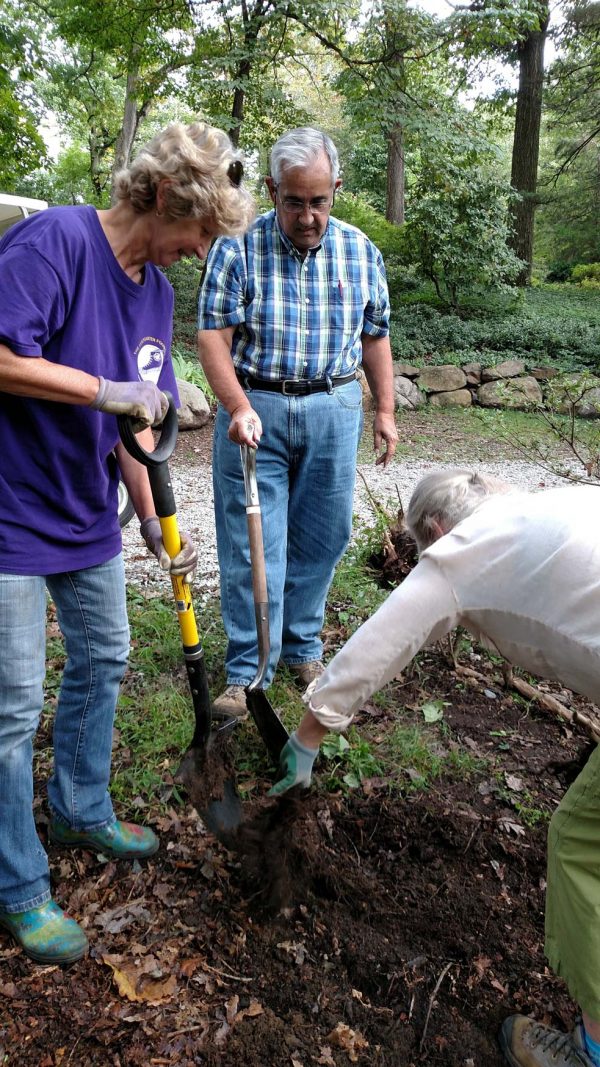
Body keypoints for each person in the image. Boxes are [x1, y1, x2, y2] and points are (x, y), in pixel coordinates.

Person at [0, 120, 254, 965]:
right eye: (199, 230)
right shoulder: (56, 242)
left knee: (105, 655)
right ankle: (18, 883)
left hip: (85, 513)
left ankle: (79, 806)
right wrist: (100, 388)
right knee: (12, 707)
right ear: (159, 195)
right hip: (9, 510)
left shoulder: (156, 293)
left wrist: (150, 523)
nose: (201, 250)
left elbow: (140, 427)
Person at [270, 468, 600, 1067]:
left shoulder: (460, 553)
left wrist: (307, 738)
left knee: (580, 843)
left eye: (422, 547)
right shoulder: (547, 510)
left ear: (438, 529)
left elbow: (377, 644)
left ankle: (595, 1049)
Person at [197, 125, 398, 719]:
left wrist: (385, 410)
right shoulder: (237, 247)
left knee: (324, 535)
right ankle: (248, 668)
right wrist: (237, 406)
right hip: (255, 410)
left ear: (336, 189)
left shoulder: (360, 250)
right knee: (251, 544)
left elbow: (376, 336)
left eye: (319, 201)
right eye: (294, 202)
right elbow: (212, 338)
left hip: (334, 408)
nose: (308, 217)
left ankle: (302, 646)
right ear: (271, 190)